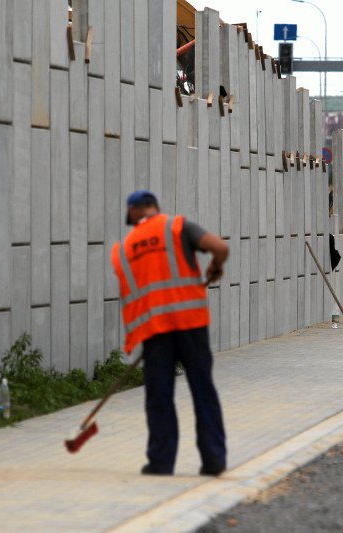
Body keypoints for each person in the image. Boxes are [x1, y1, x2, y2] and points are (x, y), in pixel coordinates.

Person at [111, 190, 228, 477]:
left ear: (135, 211)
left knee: (159, 396)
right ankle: (213, 459)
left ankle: (161, 462)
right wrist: (215, 267)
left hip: (156, 331)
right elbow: (220, 247)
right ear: (154, 208)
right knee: (203, 389)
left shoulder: (126, 247)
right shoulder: (177, 227)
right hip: (191, 323)